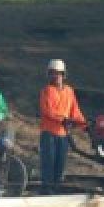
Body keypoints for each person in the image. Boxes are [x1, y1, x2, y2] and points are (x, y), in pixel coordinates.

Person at [39, 58, 87, 194]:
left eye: (58, 73)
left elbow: (75, 111)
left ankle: (56, 188)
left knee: (60, 164)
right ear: (49, 75)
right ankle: (47, 190)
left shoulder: (69, 91)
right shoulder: (46, 91)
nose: (56, 76)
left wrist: (84, 125)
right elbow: (47, 111)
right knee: (49, 164)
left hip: (63, 134)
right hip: (49, 133)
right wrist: (63, 119)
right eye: (53, 73)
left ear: (63, 75)